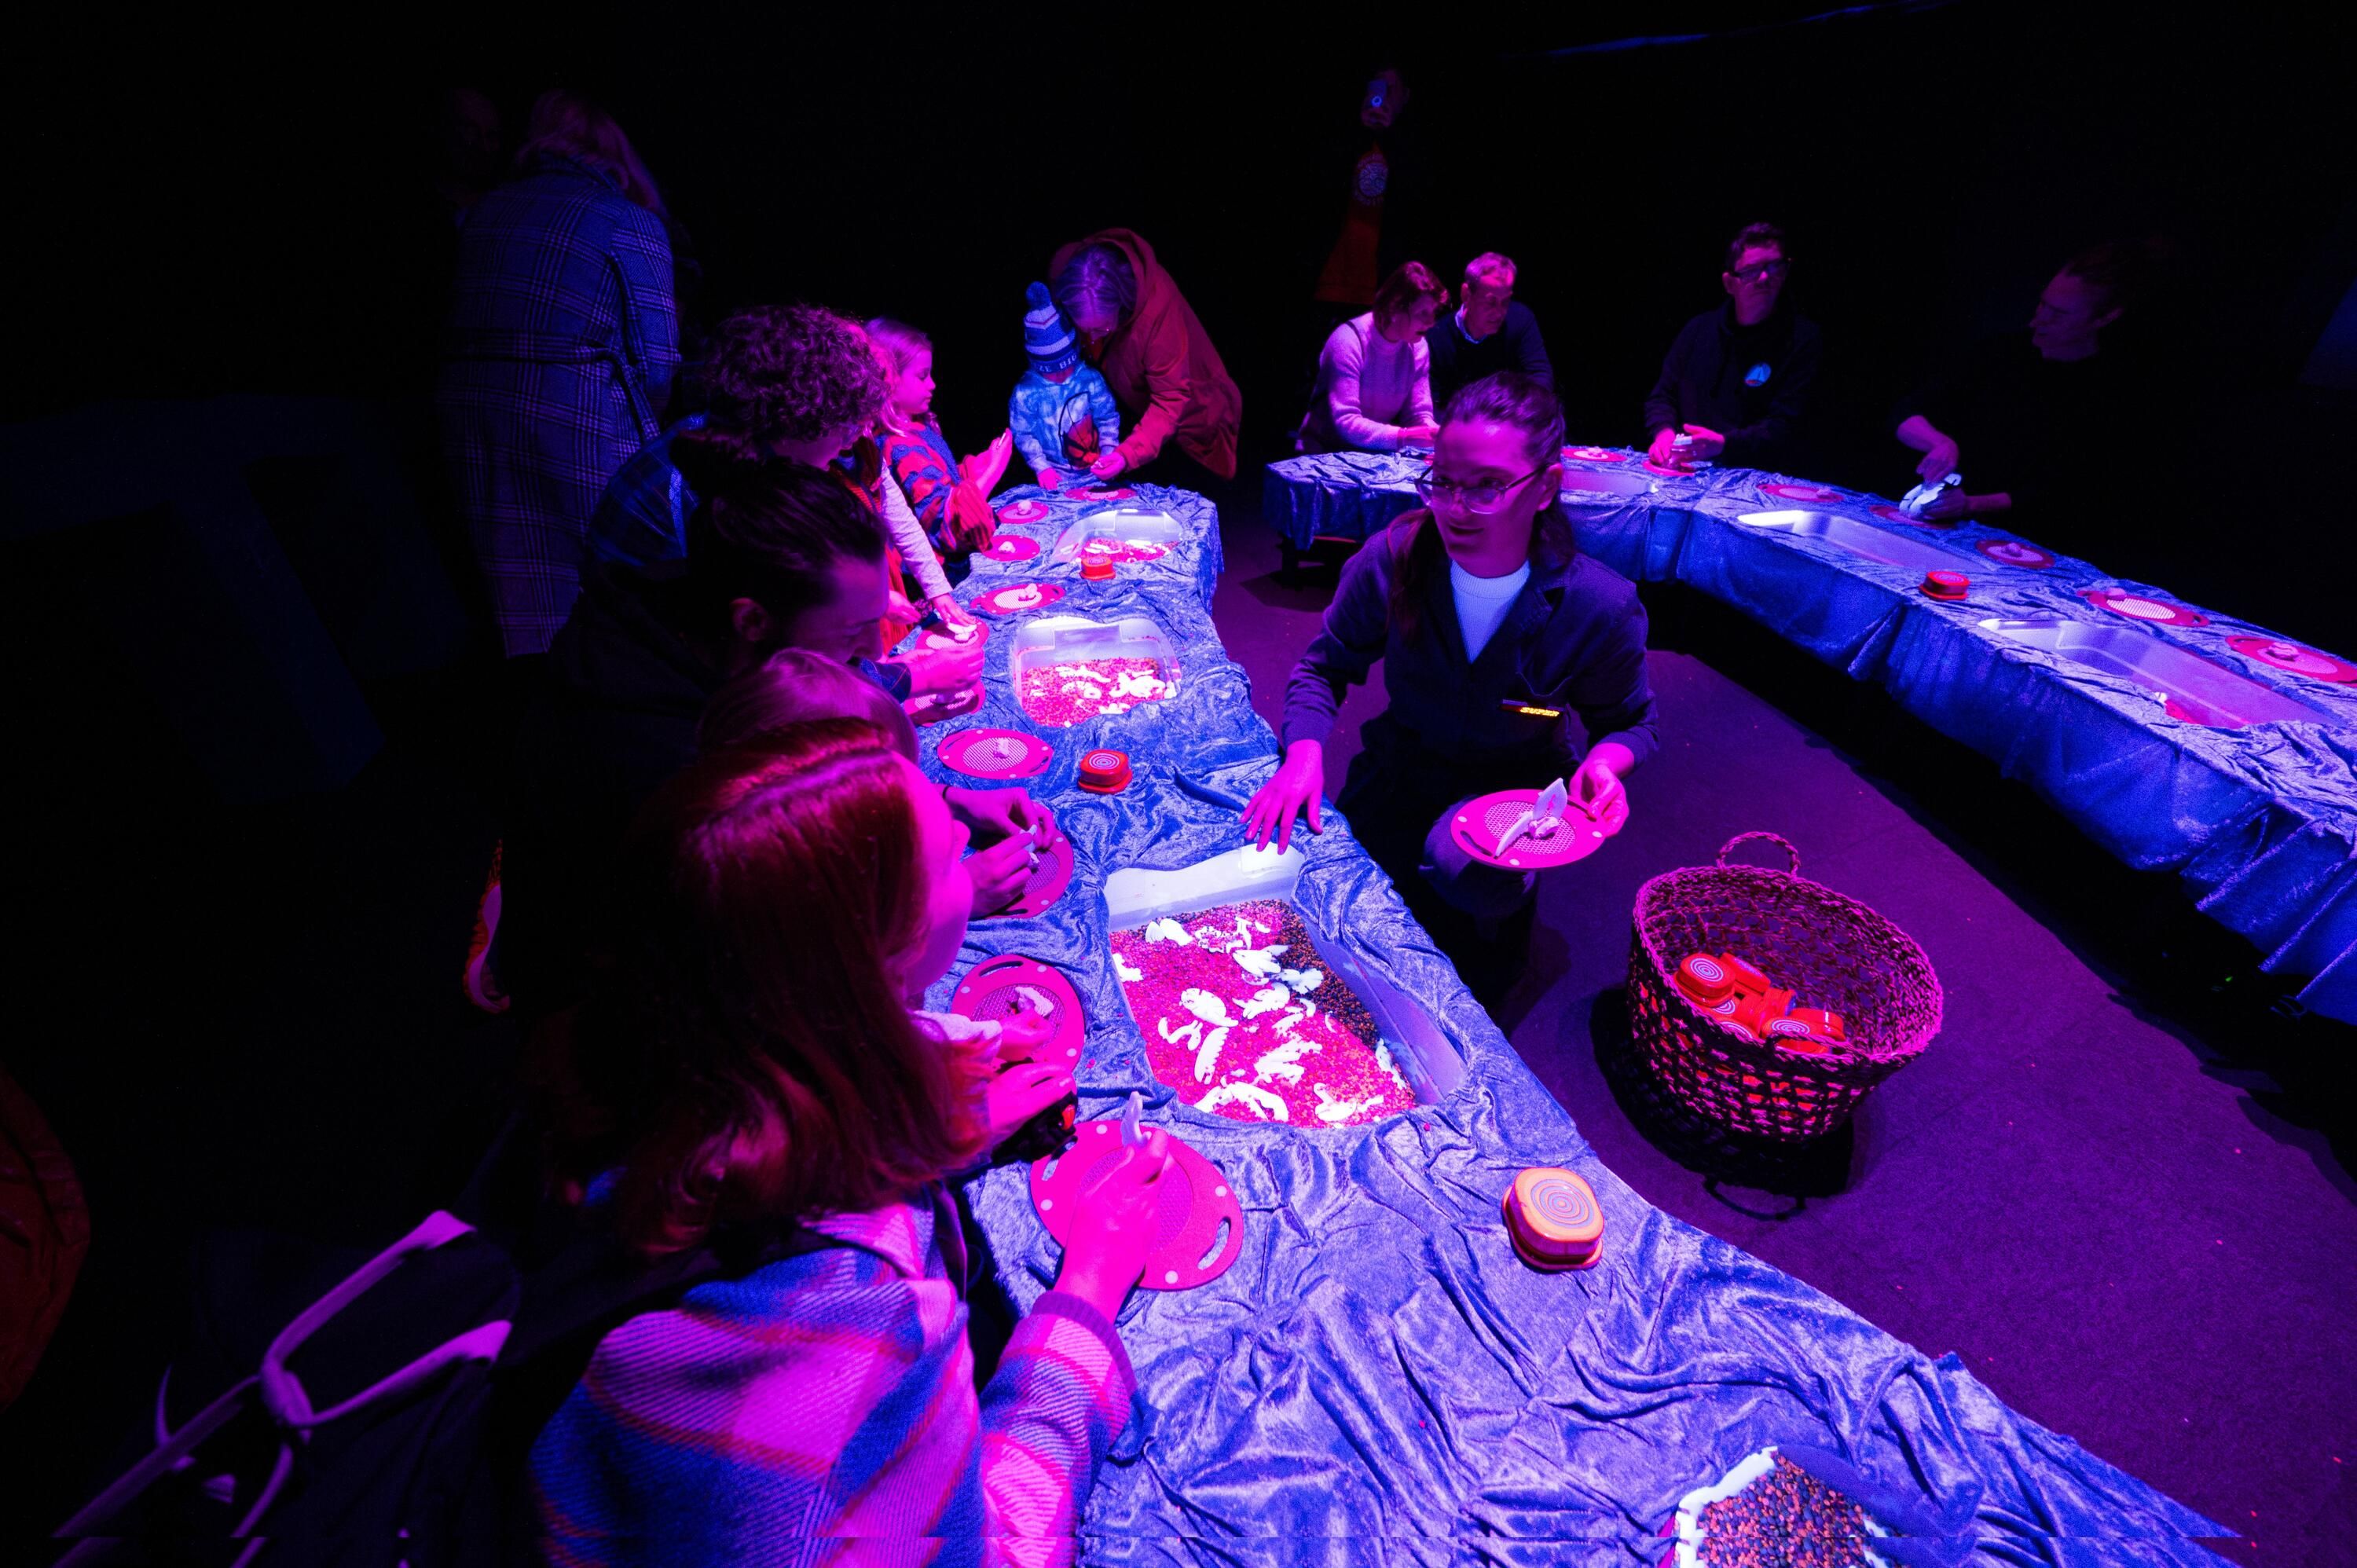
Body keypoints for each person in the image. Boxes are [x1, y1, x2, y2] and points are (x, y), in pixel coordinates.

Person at [530, 720, 1173, 1562]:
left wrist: (926, 1104)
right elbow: (998, 1548)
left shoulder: (649, 1060)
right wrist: (1089, 1283)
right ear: (881, 955)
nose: (957, 823)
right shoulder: (859, 1323)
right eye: (942, 851)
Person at [501, 464, 1043, 1017]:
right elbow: (762, 960)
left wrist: (945, 800)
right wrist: (937, 903)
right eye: (851, 633)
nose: (874, 654)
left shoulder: (705, 620)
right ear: (753, 622)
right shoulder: (661, 763)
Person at [1245, 373, 1658, 998]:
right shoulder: (1392, 558)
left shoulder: (1598, 605)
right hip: (1399, 771)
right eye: (1443, 482)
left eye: (1488, 487)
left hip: (1511, 798)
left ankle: (1495, 913)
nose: (1456, 509)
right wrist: (1303, 758)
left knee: (1464, 914)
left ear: (1545, 487)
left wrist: (1606, 763)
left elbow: (1632, 722)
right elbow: (1322, 667)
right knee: (1318, 937)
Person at [438, 90, 680, 657]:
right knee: (607, 590)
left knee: (509, 595)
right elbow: (660, 359)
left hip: (466, 413)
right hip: (576, 414)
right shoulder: (624, 218)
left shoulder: (487, 210)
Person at [587, 305, 966, 628]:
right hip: (644, 644)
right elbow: (741, 626)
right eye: (848, 425)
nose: (853, 440)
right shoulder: (703, 482)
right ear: (807, 416)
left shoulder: (757, 449)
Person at [1892, 242, 2170, 566]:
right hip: (1946, 530)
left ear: (2106, 317)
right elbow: (1906, 411)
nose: (2039, 320)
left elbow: (2061, 491)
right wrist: (1940, 443)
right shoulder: (1999, 353)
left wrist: (1970, 504)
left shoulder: (2113, 394)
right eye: (2043, 304)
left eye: (2059, 314)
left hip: (2031, 551)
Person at [1047, 229, 1244, 482]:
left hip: (1194, 417)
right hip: (1136, 403)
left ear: (1122, 305)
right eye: (1086, 330)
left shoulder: (1159, 314)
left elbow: (1170, 400)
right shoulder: (1066, 272)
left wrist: (1126, 455)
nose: (1093, 338)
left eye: (1102, 329)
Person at [1642, 222, 1821, 472]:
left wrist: (1725, 444)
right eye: (1752, 270)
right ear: (1730, 283)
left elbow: (1785, 425)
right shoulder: (1698, 331)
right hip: (1686, 471)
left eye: (1774, 267)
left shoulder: (1802, 340)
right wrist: (1664, 434)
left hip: (1757, 477)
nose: (1765, 278)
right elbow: (1662, 396)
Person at [870, 318, 1015, 575]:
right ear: (889, 381)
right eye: (922, 376)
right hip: (941, 576)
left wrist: (979, 464)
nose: (933, 384)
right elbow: (948, 527)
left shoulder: (915, 426)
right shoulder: (899, 447)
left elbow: (946, 482)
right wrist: (993, 470)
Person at [1298, 261, 1449, 453]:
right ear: (1395, 308)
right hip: (1323, 451)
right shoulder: (1348, 340)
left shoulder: (1417, 346)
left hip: (1370, 452)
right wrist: (1404, 436)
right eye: (1423, 313)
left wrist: (1432, 433)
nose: (1431, 322)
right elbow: (1346, 422)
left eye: (1433, 312)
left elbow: (1417, 414)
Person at [1010, 281, 1124, 490]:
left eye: (1067, 365)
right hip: (1056, 480)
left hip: (1097, 475)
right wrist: (1041, 467)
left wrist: (1109, 452)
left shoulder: (1090, 380)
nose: (1061, 374)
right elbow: (1023, 434)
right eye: (1051, 370)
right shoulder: (1025, 394)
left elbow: (1107, 417)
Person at [1426, 252, 1556, 412]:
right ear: (1466, 295)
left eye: (1506, 301)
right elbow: (1432, 403)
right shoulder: (1436, 336)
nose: (1500, 312)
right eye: (1491, 302)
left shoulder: (1521, 319)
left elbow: (1540, 378)